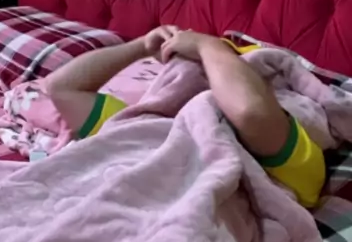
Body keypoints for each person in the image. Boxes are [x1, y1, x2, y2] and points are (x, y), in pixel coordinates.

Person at [44, 27, 326, 208]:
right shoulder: (146, 124)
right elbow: (61, 87)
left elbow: (249, 111)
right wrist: (142, 46)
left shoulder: (298, 161)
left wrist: (210, 46)